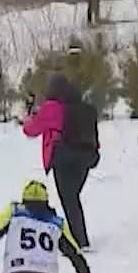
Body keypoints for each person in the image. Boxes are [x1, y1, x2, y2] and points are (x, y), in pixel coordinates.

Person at [21, 73, 100, 250]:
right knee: (73, 197)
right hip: (86, 158)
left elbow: (31, 130)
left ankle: (80, 241)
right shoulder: (83, 107)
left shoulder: (52, 107)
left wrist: (28, 117)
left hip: (63, 158)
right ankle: (76, 236)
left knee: (69, 199)